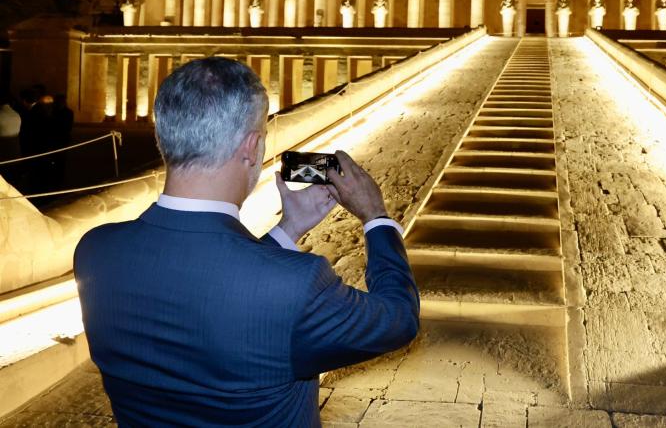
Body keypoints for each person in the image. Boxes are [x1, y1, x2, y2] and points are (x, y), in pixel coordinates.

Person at [74, 57, 419, 427]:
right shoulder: (297, 285)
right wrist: (376, 217)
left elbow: (213, 289)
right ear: (252, 147)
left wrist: (288, 229)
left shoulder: (96, 253)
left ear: (164, 135)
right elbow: (397, 319)